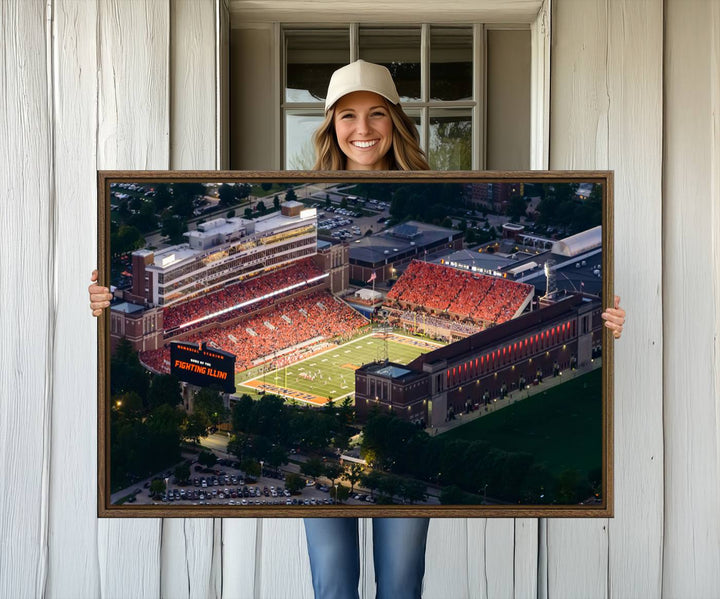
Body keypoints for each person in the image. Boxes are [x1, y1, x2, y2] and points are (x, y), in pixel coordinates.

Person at [88, 60, 627, 599]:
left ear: (396, 121)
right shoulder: (303, 189)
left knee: (399, 583)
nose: (363, 129)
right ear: (330, 125)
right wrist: (105, 303)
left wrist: (606, 320)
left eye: (376, 115)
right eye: (348, 115)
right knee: (333, 584)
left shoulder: (436, 183)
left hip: (339, 363)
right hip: (281, 351)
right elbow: (126, 305)